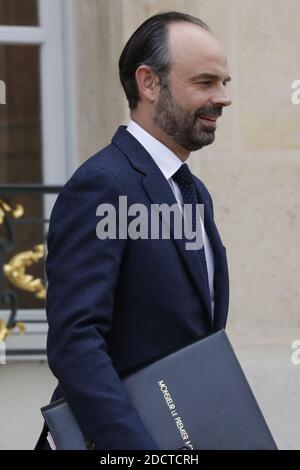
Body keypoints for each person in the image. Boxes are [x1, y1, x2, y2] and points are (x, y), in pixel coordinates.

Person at [35, 10, 231, 450]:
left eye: (225, 83)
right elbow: (76, 340)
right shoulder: (103, 183)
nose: (222, 98)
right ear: (149, 83)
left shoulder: (193, 190)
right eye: (205, 82)